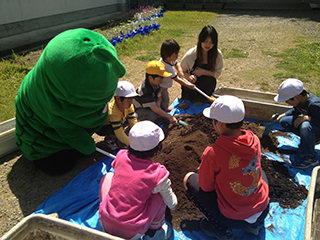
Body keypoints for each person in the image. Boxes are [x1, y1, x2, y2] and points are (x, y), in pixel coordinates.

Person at [183, 95, 269, 240]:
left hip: (234, 218)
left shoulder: (212, 152)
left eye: (213, 120)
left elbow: (206, 187)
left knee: (188, 179)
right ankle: (254, 225)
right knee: (261, 173)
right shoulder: (254, 139)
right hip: (262, 208)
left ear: (220, 124)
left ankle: (221, 230)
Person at [99, 120, 178, 240]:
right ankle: (154, 231)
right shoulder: (157, 173)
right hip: (132, 232)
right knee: (160, 195)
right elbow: (171, 203)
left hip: (105, 222)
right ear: (158, 147)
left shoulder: (121, 155)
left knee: (108, 176)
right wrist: (174, 206)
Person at [273, 78, 320, 169]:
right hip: (315, 126)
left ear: (297, 97)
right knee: (284, 121)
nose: (286, 103)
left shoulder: (315, 104)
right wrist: (282, 115)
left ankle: (309, 158)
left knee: (305, 125)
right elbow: (295, 110)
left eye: (288, 101)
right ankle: (311, 140)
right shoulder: (301, 100)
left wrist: (308, 118)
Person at [179, 25, 223, 109]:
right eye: (205, 41)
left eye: (211, 42)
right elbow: (181, 72)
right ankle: (188, 100)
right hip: (191, 86)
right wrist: (189, 77)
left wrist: (203, 72)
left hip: (205, 87)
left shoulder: (217, 55)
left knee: (211, 80)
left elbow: (217, 73)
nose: (208, 45)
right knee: (187, 85)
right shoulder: (191, 54)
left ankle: (203, 99)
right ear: (200, 40)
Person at [96, 81, 139, 151]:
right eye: (128, 100)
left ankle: (121, 138)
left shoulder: (129, 105)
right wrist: (132, 144)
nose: (131, 102)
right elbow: (119, 133)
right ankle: (109, 140)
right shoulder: (113, 113)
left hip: (119, 121)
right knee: (115, 131)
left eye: (132, 99)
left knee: (135, 116)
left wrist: (138, 135)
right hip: (104, 126)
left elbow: (133, 121)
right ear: (118, 99)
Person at [133, 60, 178, 125]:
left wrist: (158, 105)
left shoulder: (156, 84)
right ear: (150, 78)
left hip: (151, 104)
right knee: (152, 115)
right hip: (140, 108)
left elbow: (159, 96)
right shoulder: (145, 90)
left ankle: (158, 115)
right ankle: (148, 121)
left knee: (163, 105)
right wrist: (169, 116)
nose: (162, 80)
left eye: (162, 78)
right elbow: (154, 108)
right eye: (160, 78)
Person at [159, 39, 195, 109]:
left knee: (163, 98)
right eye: (175, 54)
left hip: (164, 86)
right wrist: (188, 85)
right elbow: (177, 79)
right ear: (168, 56)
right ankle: (165, 109)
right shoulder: (166, 67)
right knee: (165, 99)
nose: (177, 56)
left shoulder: (169, 59)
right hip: (161, 86)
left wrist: (180, 71)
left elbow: (177, 63)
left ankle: (163, 108)